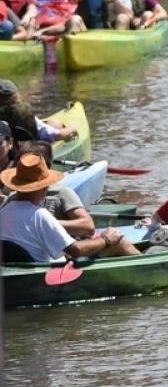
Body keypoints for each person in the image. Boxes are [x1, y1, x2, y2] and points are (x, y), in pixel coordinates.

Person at [0, 153, 137, 263]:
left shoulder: (3, 212)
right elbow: (76, 250)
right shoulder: (40, 215)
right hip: (49, 274)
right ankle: (153, 270)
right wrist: (106, 239)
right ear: (45, 187)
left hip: (19, 266)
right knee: (119, 242)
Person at [0, 79, 81, 145]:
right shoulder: (23, 114)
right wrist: (71, 129)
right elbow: (57, 135)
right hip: (28, 154)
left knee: (52, 123)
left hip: (7, 153)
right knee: (55, 123)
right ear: (16, 96)